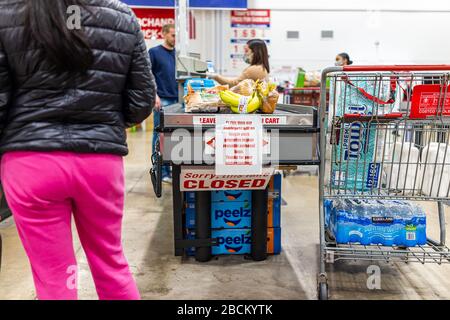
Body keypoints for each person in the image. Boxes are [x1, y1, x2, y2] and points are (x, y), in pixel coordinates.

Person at [0, 0, 156, 300]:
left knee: (54, 276)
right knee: (111, 264)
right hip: (100, 163)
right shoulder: (121, 15)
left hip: (31, 163)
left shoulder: (9, 12)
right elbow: (142, 99)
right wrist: (106, 124)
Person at [149, 24, 177, 184]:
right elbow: (147, 75)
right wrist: (154, 96)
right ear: (164, 34)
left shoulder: (177, 53)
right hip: (162, 100)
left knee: (172, 137)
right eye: (172, 35)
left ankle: (170, 169)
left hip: (176, 99)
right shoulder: (154, 53)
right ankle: (160, 170)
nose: (175, 39)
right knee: (158, 136)